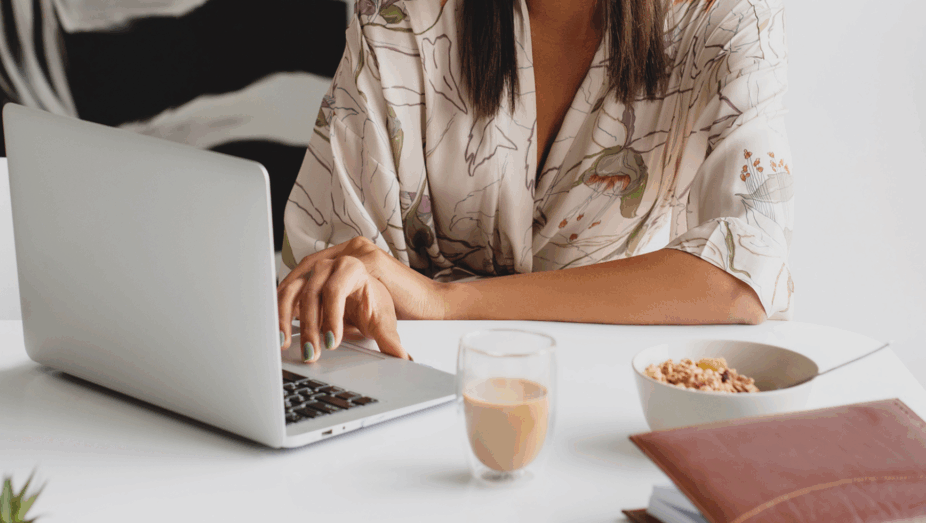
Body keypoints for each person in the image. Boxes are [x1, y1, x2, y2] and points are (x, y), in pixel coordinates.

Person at [277, 0, 794, 363]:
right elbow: (337, 271)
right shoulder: (401, 15)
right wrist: (369, 291)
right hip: (407, 377)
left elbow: (742, 275)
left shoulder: (726, 16)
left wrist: (445, 301)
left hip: (600, 386)